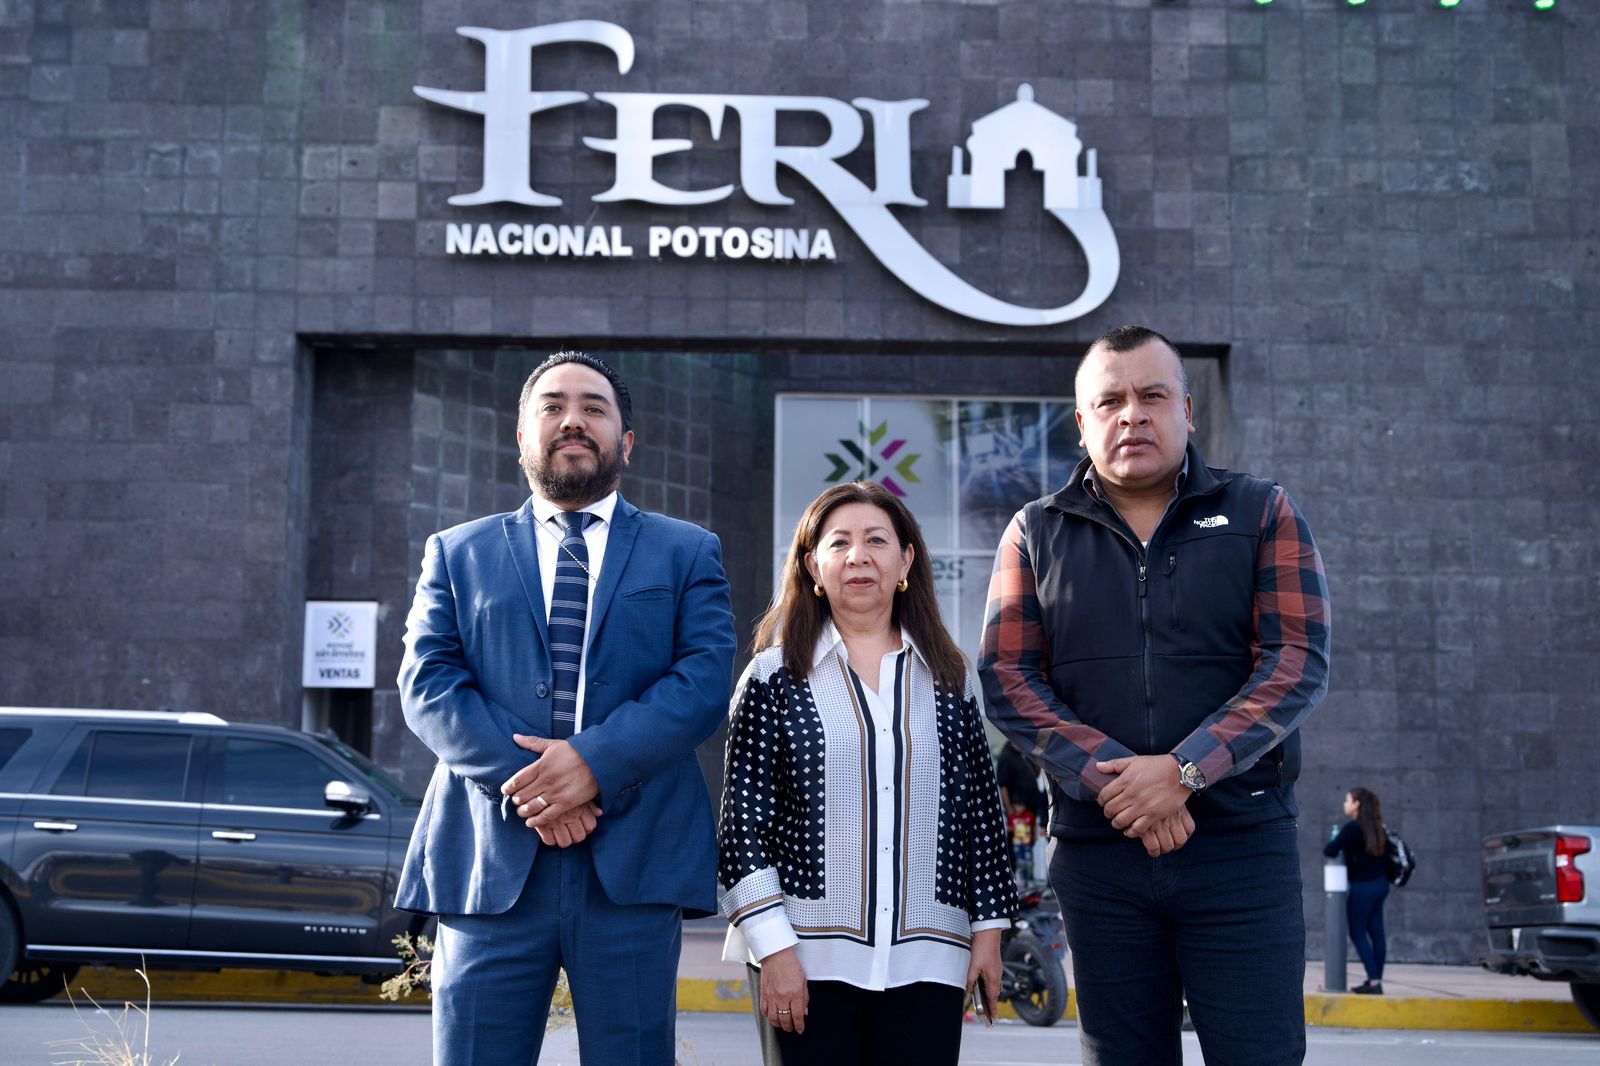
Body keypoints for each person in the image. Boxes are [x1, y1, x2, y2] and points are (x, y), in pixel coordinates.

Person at [979, 325, 1332, 1066]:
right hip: (1099, 856)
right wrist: (1121, 782)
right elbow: (1008, 678)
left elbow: (1295, 662)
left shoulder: (1261, 511)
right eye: (1110, 401)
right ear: (1083, 423)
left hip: (1240, 849)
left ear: (1187, 411)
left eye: (1152, 396)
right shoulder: (1034, 532)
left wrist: (1184, 771)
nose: (1132, 414)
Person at [395, 351, 737, 1066]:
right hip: (491, 861)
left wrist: (593, 765)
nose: (573, 420)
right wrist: (541, 788)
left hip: (633, 861)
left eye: (593, 408)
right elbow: (428, 682)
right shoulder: (457, 553)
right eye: (552, 406)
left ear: (626, 442)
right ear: (522, 437)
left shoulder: (686, 552)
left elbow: (702, 681)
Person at [718, 481, 1017, 1066]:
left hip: (930, 959)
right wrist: (773, 949)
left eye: (877, 540)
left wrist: (988, 936)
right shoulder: (773, 678)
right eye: (840, 543)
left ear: (905, 561)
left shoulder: (950, 679)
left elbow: (981, 816)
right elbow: (742, 829)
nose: (859, 556)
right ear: (813, 566)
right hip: (803, 959)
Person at [1323, 787, 1390, 995]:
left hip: (1363, 887)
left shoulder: (1353, 828)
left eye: (1347, 800)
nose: (1345, 804)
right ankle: (1376, 981)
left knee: (1357, 932)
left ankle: (1374, 980)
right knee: (1376, 932)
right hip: (1381, 884)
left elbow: (1330, 850)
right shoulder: (1377, 827)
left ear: (1357, 804)